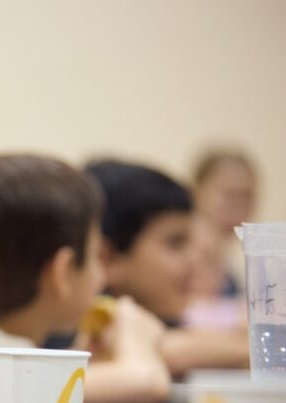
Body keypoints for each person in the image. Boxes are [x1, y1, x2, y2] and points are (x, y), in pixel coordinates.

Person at [0, 154, 170, 403]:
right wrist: (138, 343)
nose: (102, 276)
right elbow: (146, 383)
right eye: (96, 257)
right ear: (63, 273)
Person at [86, 159, 250, 375]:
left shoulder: (167, 319)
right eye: (175, 243)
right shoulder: (88, 324)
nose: (194, 260)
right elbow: (166, 348)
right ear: (109, 259)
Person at [189, 148, 258, 299]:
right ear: (198, 192)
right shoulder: (187, 252)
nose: (238, 205)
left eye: (246, 196)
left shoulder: (228, 256)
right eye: (229, 194)